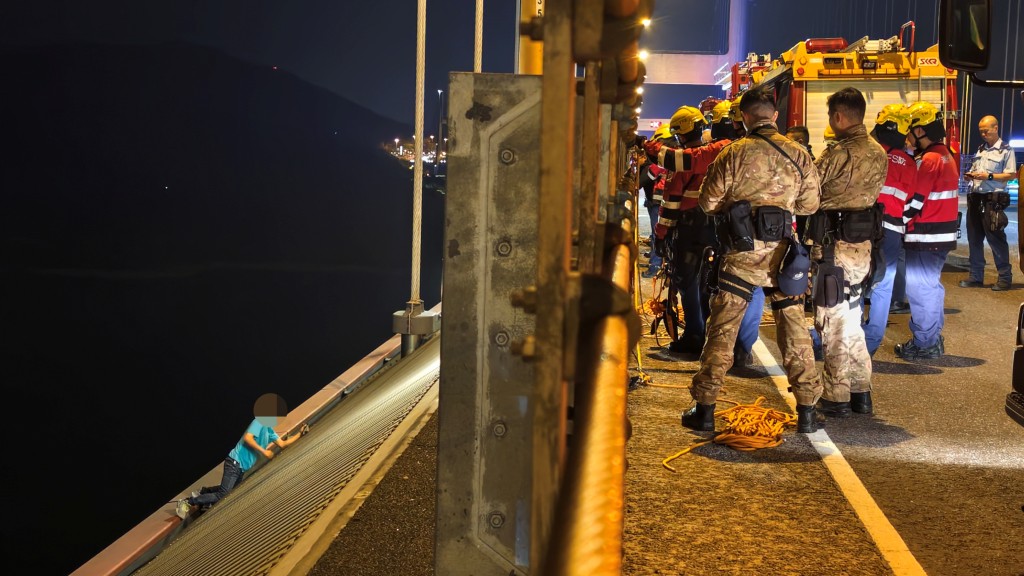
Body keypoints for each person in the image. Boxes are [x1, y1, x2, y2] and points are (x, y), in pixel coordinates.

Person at [684, 85, 823, 433]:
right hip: (783, 257)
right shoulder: (799, 154)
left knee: (722, 331)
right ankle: (808, 411)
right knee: (795, 331)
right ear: (774, 116)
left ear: (744, 117)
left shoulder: (733, 153)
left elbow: (708, 202)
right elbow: (809, 205)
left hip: (741, 254)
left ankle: (705, 409)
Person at [806, 87, 888, 417]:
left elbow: (808, 193)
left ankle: (836, 394)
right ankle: (860, 389)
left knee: (832, 319)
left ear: (838, 117)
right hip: (864, 246)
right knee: (851, 315)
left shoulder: (837, 154)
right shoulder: (879, 152)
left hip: (833, 247)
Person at [644, 105, 729, 354]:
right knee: (709, 284)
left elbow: (671, 203)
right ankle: (711, 336)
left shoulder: (686, 161)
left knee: (688, 283)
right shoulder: (723, 152)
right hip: (717, 228)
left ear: (680, 134)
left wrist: (661, 236)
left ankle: (694, 336)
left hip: (689, 231)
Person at [895, 101, 960, 360]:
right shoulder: (946, 155)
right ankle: (931, 338)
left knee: (920, 289)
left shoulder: (929, 160)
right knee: (931, 287)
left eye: (910, 131)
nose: (907, 137)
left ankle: (925, 343)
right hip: (940, 234)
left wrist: (895, 222)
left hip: (925, 235)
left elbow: (914, 202)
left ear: (920, 130)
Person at [175, 393, 308, 519]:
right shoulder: (258, 422)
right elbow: (248, 438)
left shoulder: (269, 430)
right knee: (223, 495)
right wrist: (264, 451)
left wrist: (300, 434)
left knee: (230, 491)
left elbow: (282, 444)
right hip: (234, 462)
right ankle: (188, 502)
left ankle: (204, 492)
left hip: (241, 468)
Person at [862, 104, 917, 357]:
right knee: (884, 286)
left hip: (862, 226)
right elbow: (911, 200)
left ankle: (850, 336)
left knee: (855, 280)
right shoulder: (909, 162)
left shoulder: (868, 152)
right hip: (893, 230)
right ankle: (871, 342)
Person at [960, 115, 1017, 291]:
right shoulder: (981, 149)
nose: (983, 134)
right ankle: (976, 277)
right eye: (981, 131)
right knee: (974, 239)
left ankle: (1005, 278)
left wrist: (989, 176)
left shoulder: (1006, 150)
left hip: (992, 200)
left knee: (996, 240)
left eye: (986, 130)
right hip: (975, 198)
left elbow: (1011, 174)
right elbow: (975, 170)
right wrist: (969, 176)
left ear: (995, 128)